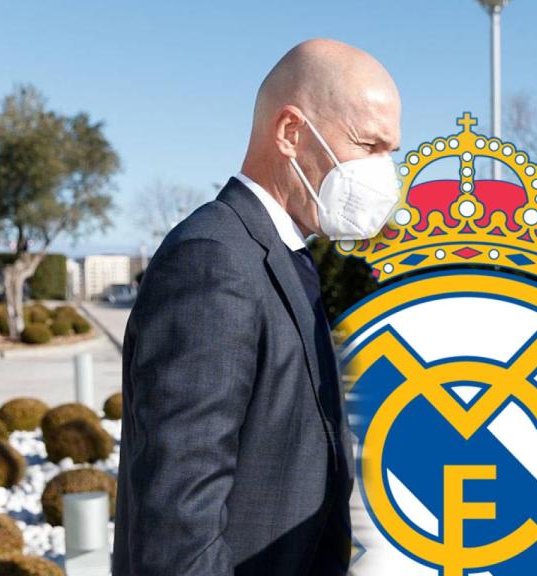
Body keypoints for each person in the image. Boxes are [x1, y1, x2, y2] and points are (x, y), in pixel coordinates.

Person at [113, 39, 402, 575]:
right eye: (368, 144)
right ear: (291, 133)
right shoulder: (212, 261)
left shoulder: (280, 253)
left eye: (392, 152)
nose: (384, 172)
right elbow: (181, 522)